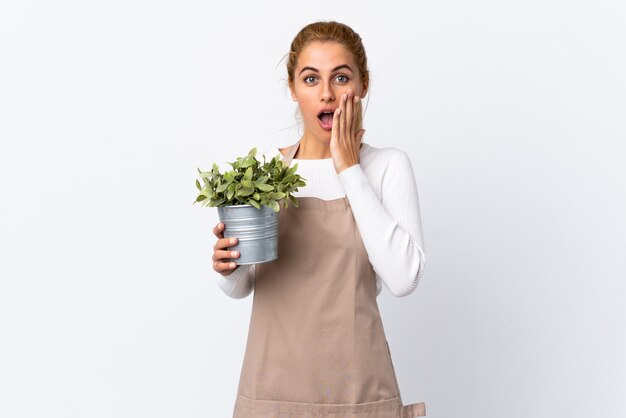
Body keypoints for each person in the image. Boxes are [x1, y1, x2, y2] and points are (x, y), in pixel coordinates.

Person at [211, 21, 427, 418]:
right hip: (272, 391)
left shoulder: (386, 167)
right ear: (293, 89)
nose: (326, 93)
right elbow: (243, 286)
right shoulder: (265, 172)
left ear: (363, 85)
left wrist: (349, 169)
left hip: (359, 392)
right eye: (311, 79)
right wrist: (228, 267)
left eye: (340, 77)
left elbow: (403, 279)